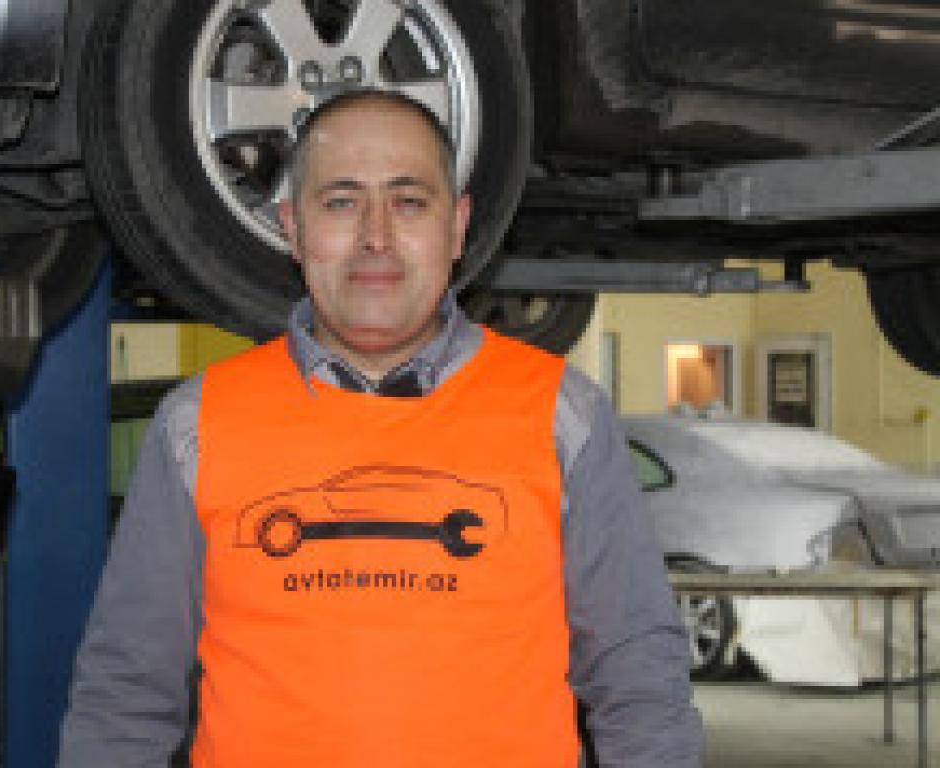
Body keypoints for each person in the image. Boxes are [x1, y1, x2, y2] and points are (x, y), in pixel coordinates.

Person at [57, 89, 702, 767]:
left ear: (457, 227)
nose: (376, 236)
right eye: (341, 202)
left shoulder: (564, 417)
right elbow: (125, 692)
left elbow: (640, 682)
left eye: (409, 202)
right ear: (293, 229)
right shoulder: (197, 424)